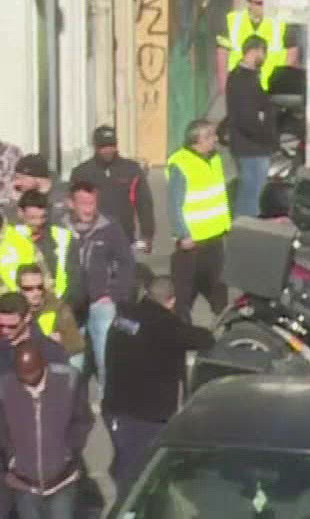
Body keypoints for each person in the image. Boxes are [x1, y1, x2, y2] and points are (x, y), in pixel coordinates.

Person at [101, 276, 213, 494]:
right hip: (147, 415)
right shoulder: (167, 326)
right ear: (171, 301)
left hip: (115, 407)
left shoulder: (124, 317)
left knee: (126, 457)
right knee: (138, 472)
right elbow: (203, 339)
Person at [0, 338, 90, 518]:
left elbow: (82, 420)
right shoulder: (5, 388)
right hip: (23, 483)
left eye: (32, 373)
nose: (28, 380)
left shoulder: (68, 381)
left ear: (43, 365)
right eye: (23, 376)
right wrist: (11, 458)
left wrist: (69, 451)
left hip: (62, 480)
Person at [65, 179, 134, 386]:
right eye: (83, 203)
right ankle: (73, 401)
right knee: (73, 362)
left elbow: (126, 262)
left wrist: (113, 294)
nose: (88, 209)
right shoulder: (60, 228)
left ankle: (108, 403)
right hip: (70, 306)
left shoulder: (109, 227)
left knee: (105, 361)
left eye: (92, 203)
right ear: (71, 203)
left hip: (101, 302)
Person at [165, 118, 232, 320]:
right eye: (210, 136)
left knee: (219, 292)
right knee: (184, 294)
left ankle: (222, 327)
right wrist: (182, 234)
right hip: (192, 242)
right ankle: (181, 330)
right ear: (197, 140)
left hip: (215, 238)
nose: (215, 139)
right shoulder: (181, 164)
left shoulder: (215, 158)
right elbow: (174, 204)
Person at [68, 126, 154, 253]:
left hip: (124, 237)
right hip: (91, 237)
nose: (108, 150)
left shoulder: (131, 169)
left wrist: (147, 235)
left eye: (111, 145)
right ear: (95, 147)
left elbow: (144, 204)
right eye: (103, 147)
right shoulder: (81, 172)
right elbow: (72, 206)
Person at [223, 35, 276, 218]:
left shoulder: (244, 76)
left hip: (249, 146)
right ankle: (246, 229)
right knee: (251, 196)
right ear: (254, 51)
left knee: (249, 192)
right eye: (263, 52)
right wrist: (266, 137)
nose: (265, 57)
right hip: (252, 148)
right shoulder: (243, 80)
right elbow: (247, 119)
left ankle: (245, 226)